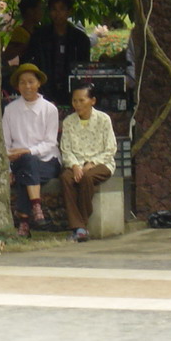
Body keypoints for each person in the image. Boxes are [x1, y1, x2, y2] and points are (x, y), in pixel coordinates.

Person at [3, 62, 61, 238]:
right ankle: (35, 208)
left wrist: (27, 151)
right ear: (17, 86)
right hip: (18, 161)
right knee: (25, 167)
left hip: (47, 161)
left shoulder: (49, 109)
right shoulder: (10, 110)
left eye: (31, 82)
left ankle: (24, 222)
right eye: (22, 82)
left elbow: (50, 143)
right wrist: (6, 168)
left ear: (38, 83)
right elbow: (5, 142)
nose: (27, 86)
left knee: (27, 165)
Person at [60, 81, 117, 242]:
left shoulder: (103, 119)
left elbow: (110, 148)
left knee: (87, 178)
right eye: (74, 101)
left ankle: (80, 226)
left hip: (101, 163)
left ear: (92, 101)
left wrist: (92, 163)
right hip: (76, 163)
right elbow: (66, 149)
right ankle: (79, 228)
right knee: (66, 178)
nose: (77, 104)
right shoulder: (69, 122)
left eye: (81, 100)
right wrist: (75, 165)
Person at [21, 0, 91, 102]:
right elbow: (30, 62)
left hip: (72, 91)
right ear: (49, 12)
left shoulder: (80, 39)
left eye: (62, 9)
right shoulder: (39, 37)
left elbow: (85, 68)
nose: (58, 13)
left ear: (69, 12)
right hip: (44, 90)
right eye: (54, 9)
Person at [2, 0, 43, 68]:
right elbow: (7, 55)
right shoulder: (20, 32)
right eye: (39, 9)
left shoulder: (38, 31)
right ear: (30, 11)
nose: (41, 13)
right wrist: (27, 45)